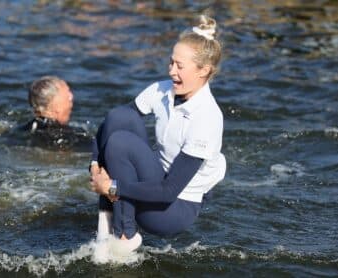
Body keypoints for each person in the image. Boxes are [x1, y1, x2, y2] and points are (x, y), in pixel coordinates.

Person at [90, 13, 226, 251]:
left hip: (173, 208)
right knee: (120, 117)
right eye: (171, 63)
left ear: (203, 70)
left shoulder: (207, 118)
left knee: (121, 143)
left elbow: (168, 191)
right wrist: (94, 164)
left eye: (180, 66)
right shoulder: (163, 90)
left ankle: (125, 236)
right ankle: (108, 221)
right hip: (154, 179)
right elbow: (115, 121)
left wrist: (112, 186)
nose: (172, 71)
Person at [19, 75, 90, 150]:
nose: (71, 98)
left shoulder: (23, 130)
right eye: (68, 96)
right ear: (54, 104)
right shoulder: (66, 135)